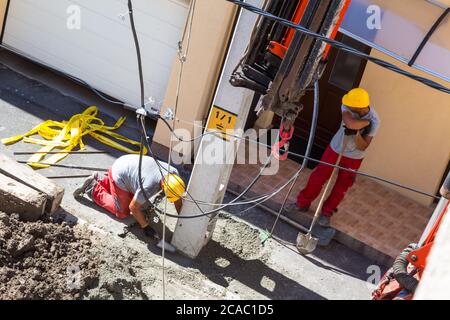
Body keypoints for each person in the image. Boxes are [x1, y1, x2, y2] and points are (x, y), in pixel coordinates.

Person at [286, 88, 380, 227]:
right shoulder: (347, 106)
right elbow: (350, 123)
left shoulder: (375, 121)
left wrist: (357, 134)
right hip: (335, 148)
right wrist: (365, 124)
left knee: (342, 186)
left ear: (359, 106)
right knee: (318, 177)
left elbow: (363, 146)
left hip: (354, 157)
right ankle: (302, 203)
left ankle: (326, 213)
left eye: (351, 105)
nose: (347, 105)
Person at [73, 154, 185, 238]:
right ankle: (93, 188)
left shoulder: (174, 174)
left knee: (138, 201)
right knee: (123, 212)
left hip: (127, 164)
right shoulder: (149, 186)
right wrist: (145, 226)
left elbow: (177, 199)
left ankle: (104, 180)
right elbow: (133, 208)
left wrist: (184, 223)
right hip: (120, 174)